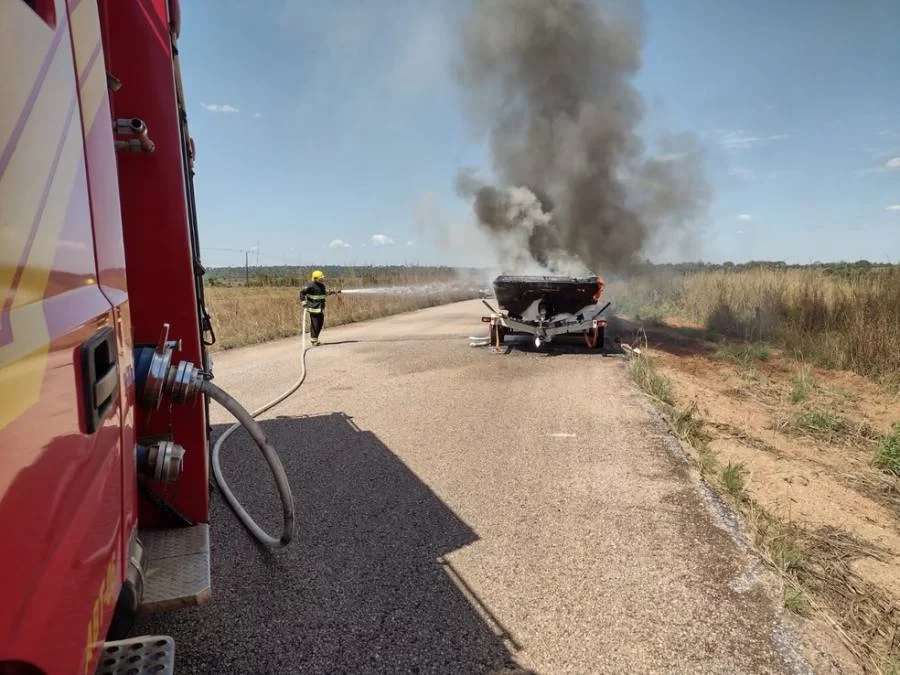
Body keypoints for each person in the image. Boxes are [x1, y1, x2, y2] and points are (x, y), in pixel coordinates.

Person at [299, 270, 331, 346]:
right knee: (315, 324)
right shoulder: (310, 285)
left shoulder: (322, 286)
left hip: (320, 308)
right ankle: (314, 340)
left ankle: (315, 339)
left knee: (320, 323)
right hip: (313, 308)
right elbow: (302, 293)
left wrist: (330, 292)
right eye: (321, 278)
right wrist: (303, 302)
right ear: (316, 278)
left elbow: (323, 294)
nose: (322, 279)